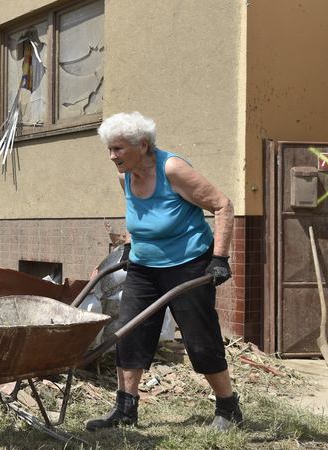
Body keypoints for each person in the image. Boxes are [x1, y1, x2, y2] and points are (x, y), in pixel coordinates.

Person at [85, 111, 241, 431]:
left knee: (200, 340)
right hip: (143, 268)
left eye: (118, 149)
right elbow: (137, 213)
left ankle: (228, 408)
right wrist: (130, 247)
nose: (112, 156)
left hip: (189, 265)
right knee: (129, 333)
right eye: (109, 149)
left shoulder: (172, 169)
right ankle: (125, 410)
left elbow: (223, 205)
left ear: (142, 145)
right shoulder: (125, 174)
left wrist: (220, 258)